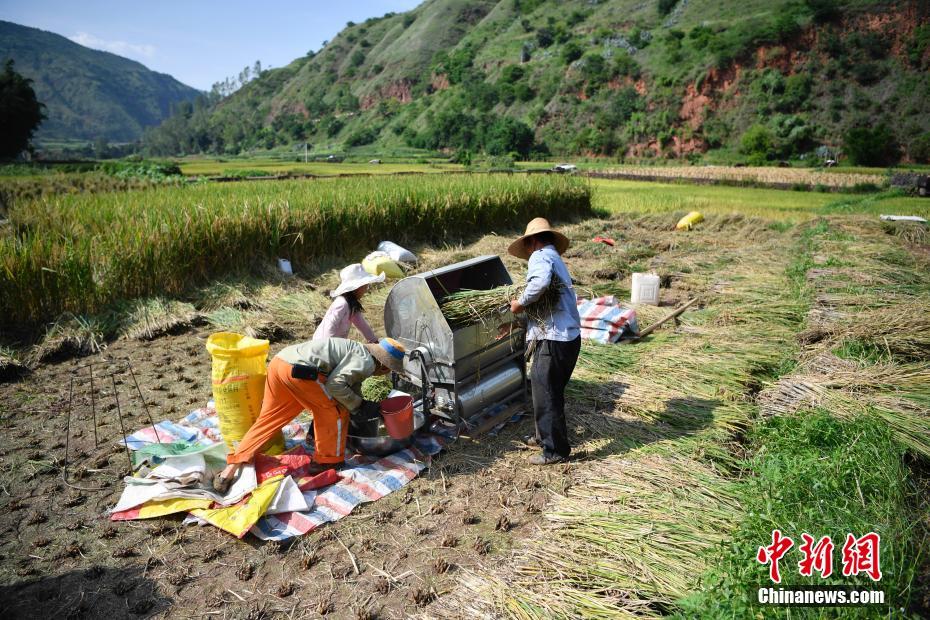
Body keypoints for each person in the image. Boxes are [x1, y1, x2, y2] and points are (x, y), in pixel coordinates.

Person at [213, 337, 406, 492]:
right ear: (384, 366)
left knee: (269, 419)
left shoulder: (355, 349)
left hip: (279, 364)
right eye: (389, 370)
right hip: (302, 373)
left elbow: (350, 386)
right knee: (334, 413)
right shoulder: (366, 362)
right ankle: (325, 462)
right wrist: (358, 406)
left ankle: (229, 470)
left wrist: (358, 404)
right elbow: (336, 385)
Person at [508, 218, 581, 465]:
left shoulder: (540, 256)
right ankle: (543, 437)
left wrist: (519, 303)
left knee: (545, 393)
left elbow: (538, 283)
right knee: (549, 392)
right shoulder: (554, 258)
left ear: (532, 241)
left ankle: (555, 451)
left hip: (553, 339)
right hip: (568, 338)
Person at [313, 263, 383, 343]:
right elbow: (330, 326)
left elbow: (362, 325)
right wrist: (329, 348)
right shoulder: (342, 303)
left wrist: (374, 341)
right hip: (323, 344)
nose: (366, 289)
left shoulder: (352, 305)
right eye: (365, 286)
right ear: (357, 287)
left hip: (337, 345)